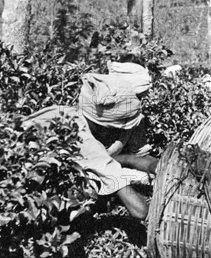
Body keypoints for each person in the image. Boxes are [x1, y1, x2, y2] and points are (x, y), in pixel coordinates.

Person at [23, 72, 158, 220]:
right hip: (27, 197)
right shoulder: (89, 145)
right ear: (104, 126)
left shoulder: (62, 112)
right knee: (91, 198)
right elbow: (140, 211)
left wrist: (128, 160)